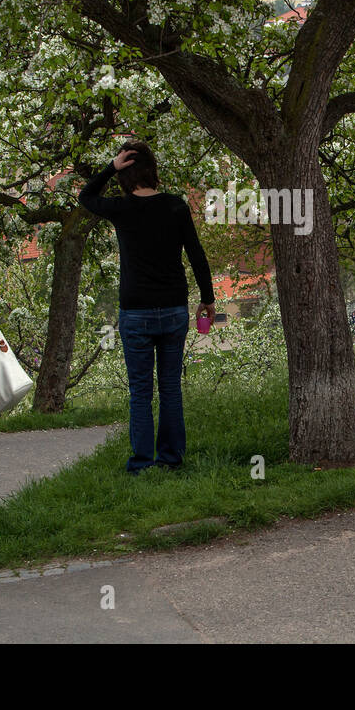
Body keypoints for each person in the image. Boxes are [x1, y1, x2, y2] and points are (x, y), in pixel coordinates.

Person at [79, 141, 214, 474]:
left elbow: (85, 197)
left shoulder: (120, 209)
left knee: (140, 391)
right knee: (170, 387)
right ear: (154, 171)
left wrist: (111, 166)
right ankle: (170, 459)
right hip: (173, 309)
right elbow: (196, 254)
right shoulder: (176, 207)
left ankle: (141, 463)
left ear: (126, 176)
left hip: (136, 312)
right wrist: (208, 299)